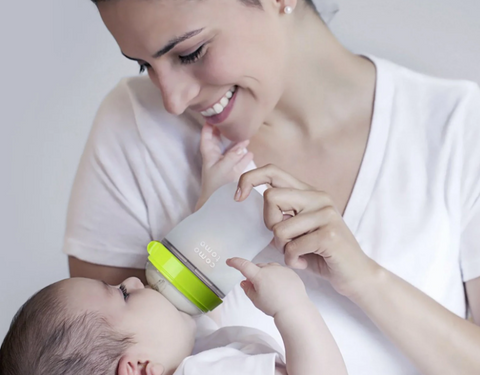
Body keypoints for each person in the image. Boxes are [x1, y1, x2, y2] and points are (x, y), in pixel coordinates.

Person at [64, 0, 480, 374]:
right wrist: (204, 229)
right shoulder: (135, 126)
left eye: (190, 51)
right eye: (145, 65)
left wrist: (365, 278)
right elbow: (103, 355)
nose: (172, 99)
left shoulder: (460, 128)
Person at [0, 128, 347, 375]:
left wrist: (213, 208)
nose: (132, 282)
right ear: (137, 368)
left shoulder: (183, 355)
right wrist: (292, 307)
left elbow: (204, 326)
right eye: (122, 295)